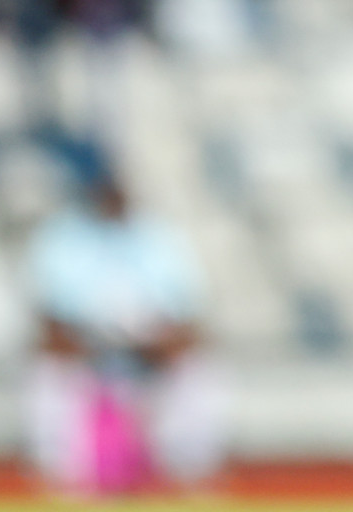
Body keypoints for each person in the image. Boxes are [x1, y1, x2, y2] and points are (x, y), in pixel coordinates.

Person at [25, 164, 223, 495]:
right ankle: (63, 476)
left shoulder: (159, 237)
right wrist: (91, 350)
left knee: (199, 372)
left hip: (147, 352)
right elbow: (50, 322)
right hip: (85, 351)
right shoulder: (63, 237)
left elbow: (187, 317)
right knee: (49, 372)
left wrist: (160, 347)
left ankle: (189, 473)